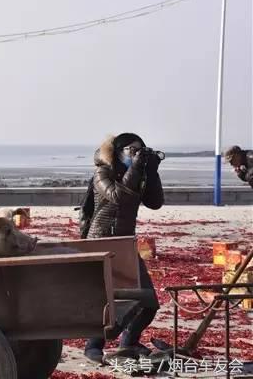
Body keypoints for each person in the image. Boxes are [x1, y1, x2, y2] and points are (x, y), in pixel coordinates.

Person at [83, 133, 164, 364]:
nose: (135, 154)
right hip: (102, 241)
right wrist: (137, 168)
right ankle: (93, 346)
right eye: (131, 150)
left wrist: (152, 172)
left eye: (140, 150)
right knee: (107, 299)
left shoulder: (137, 174)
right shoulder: (102, 172)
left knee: (149, 302)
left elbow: (155, 202)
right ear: (118, 152)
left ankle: (129, 341)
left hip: (126, 242)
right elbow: (118, 196)